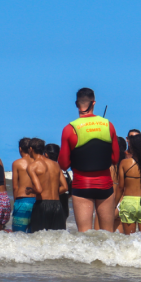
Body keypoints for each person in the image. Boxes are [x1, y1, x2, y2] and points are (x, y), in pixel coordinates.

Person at [59, 88, 120, 232]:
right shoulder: (108, 125)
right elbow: (115, 159)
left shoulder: (69, 129)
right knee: (107, 234)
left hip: (82, 185)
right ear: (94, 103)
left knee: (84, 234)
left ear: (76, 104)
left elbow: (63, 164)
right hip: (105, 184)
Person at [27, 138, 66, 232]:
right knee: (57, 238)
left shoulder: (33, 166)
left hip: (42, 205)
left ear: (31, 149)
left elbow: (38, 189)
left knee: (38, 238)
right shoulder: (55, 165)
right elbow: (65, 187)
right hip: (57, 205)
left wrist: (30, 191)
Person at [11, 138, 34, 232]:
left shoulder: (16, 163)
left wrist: (16, 203)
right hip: (37, 201)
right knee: (34, 234)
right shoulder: (38, 163)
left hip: (22, 201)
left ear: (20, 149)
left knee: (18, 234)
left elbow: (15, 186)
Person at [43, 143, 70, 226]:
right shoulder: (65, 172)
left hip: (50, 206)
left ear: (46, 155)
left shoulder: (47, 170)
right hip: (64, 208)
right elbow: (70, 191)